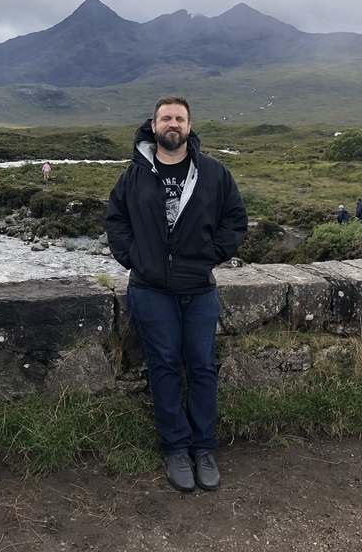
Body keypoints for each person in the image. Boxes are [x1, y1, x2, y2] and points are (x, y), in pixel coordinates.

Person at [106, 95, 248, 494]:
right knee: (165, 366)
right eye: (165, 118)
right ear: (153, 125)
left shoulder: (214, 172)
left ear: (189, 126)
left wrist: (210, 257)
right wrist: (134, 259)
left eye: (179, 118)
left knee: (202, 366)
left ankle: (203, 449)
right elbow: (115, 218)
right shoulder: (133, 175)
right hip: (150, 289)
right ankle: (175, 449)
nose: (173, 123)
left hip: (198, 288)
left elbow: (235, 220)